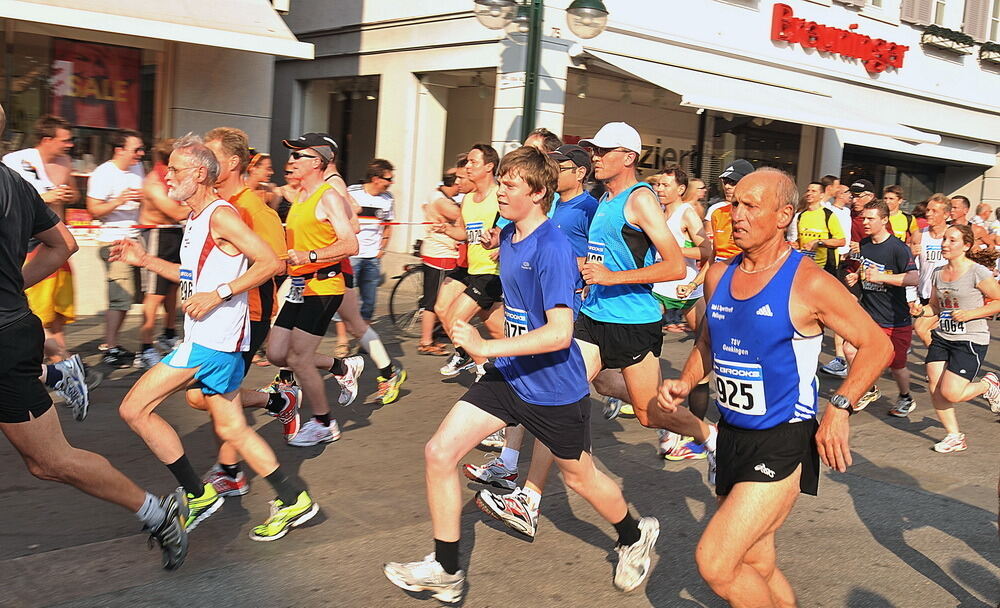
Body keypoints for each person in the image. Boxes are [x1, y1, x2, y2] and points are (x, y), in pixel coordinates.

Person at [383, 146, 658, 603]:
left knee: (580, 478)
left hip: (553, 387)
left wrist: (484, 345)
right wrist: (464, 312)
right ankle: (447, 571)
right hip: (510, 377)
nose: (501, 193)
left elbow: (560, 333)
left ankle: (633, 533)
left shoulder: (552, 248)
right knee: (439, 452)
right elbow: (502, 287)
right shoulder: (510, 233)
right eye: (502, 183)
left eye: (510, 186)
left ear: (538, 193)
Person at [660, 168, 892, 608]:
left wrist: (839, 408)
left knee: (717, 563)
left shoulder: (809, 282)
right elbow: (708, 342)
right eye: (734, 205)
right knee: (757, 563)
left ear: (785, 214)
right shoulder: (718, 275)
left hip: (783, 440)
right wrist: (685, 381)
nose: (737, 216)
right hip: (732, 436)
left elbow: (876, 345)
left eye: (751, 206)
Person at [475, 123, 711, 538]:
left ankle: (710, 435)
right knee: (558, 394)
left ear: (630, 157)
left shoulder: (640, 200)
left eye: (603, 150)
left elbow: (674, 266)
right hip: (593, 316)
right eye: (592, 150)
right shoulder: (605, 199)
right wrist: (585, 274)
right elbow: (598, 256)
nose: (595, 156)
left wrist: (610, 277)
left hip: (633, 323)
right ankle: (527, 498)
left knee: (648, 413)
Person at [0, 103, 186, 569]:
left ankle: (156, 513)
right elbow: (63, 242)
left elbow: (64, 244)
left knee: (50, 462)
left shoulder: (12, 184)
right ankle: (56, 372)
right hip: (13, 327)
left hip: (3, 339)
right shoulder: (15, 182)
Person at [113, 134, 318, 541]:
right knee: (233, 429)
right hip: (212, 338)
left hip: (213, 341)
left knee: (134, 409)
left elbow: (271, 262)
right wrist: (145, 259)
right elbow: (192, 279)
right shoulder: (196, 218)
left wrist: (220, 294)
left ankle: (197, 492)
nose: (167, 176)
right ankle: (294, 499)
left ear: (201, 173)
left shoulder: (222, 215)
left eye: (175, 169)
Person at [462, 143, 598, 488]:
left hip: (573, 317)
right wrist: (499, 238)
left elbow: (596, 253)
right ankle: (511, 467)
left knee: (580, 471)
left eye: (565, 165)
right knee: (440, 450)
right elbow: (520, 236)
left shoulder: (589, 208)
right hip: (530, 338)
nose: (501, 192)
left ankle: (533, 495)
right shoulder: (516, 225)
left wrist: (576, 268)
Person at [199, 127, 298, 496]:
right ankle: (277, 399)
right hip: (214, 315)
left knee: (217, 397)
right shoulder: (213, 205)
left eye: (212, 157)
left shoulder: (255, 208)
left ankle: (231, 472)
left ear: (233, 162)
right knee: (204, 396)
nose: (204, 164)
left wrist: (226, 288)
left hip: (246, 315)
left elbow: (276, 264)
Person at [263, 133, 359, 446]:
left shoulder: (329, 196)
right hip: (299, 284)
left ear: (317, 161)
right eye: (290, 156)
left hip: (324, 284)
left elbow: (350, 242)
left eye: (297, 156)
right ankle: (340, 367)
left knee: (300, 358)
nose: (289, 162)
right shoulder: (300, 196)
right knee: (277, 353)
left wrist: (310, 256)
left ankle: (323, 423)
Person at [2, 115, 90, 417]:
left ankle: (57, 369)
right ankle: (57, 371)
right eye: (65, 138)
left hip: (32, 259)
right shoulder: (16, 166)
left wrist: (14, 283)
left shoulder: (14, 178)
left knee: (49, 320)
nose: (70, 144)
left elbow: (65, 243)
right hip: (27, 264)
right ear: (46, 139)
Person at [650, 165, 712, 461]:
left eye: (665, 185)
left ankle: (699, 434)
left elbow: (707, 251)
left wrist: (674, 249)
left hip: (688, 291)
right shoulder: (655, 212)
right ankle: (640, 399)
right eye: (658, 184)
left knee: (702, 360)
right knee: (643, 345)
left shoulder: (686, 213)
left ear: (680, 189)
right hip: (658, 289)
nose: (660, 189)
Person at [922, 224, 1000, 452]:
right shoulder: (938, 272)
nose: (945, 244)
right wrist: (919, 311)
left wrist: (970, 314)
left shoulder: (977, 272)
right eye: (944, 239)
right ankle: (954, 436)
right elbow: (935, 307)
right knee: (935, 387)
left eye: (952, 240)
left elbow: (998, 301)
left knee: (952, 393)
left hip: (970, 340)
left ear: (966, 246)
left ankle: (988, 385)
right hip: (943, 337)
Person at [433, 143, 507, 381]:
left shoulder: (501, 195)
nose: (467, 166)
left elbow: (520, 225)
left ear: (489, 166)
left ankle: (483, 366)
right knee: (498, 329)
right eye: (467, 162)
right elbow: (465, 234)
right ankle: (526, 365)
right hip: (472, 269)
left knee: (456, 318)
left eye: (473, 162)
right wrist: (446, 229)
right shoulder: (467, 200)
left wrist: (504, 245)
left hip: (492, 272)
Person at [844, 199, 919, 416]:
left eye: (871, 218)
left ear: (884, 220)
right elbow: (866, 270)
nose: (865, 222)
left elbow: (914, 278)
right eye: (863, 218)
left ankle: (905, 397)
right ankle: (868, 388)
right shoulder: (865, 244)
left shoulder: (898, 248)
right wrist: (856, 276)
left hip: (895, 319)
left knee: (897, 367)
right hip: (869, 315)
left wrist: (883, 278)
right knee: (849, 349)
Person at [86, 128, 146, 367]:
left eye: (142, 149)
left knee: (129, 298)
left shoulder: (138, 168)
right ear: (119, 150)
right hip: (114, 241)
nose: (140, 154)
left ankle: (113, 344)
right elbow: (94, 209)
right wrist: (118, 201)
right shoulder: (103, 173)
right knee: (120, 297)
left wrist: (144, 197)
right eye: (136, 149)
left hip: (136, 238)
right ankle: (110, 347)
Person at [136, 138, 188, 368]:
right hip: (158, 234)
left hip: (175, 234)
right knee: (155, 294)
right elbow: (176, 211)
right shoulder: (154, 182)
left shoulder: (173, 180)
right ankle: (145, 348)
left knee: (173, 289)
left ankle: (168, 334)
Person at [418, 169, 461, 356]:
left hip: (437, 252)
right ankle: (426, 342)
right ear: (453, 184)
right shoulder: (443, 201)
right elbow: (461, 215)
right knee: (433, 301)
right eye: (459, 182)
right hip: (440, 254)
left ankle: (436, 333)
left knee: (438, 299)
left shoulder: (435, 195)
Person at [347, 158, 395, 321]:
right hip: (352, 255)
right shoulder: (352, 193)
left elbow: (388, 225)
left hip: (372, 257)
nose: (391, 182)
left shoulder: (388, 198)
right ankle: (342, 341)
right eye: (388, 179)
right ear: (376, 179)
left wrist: (382, 249)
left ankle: (364, 341)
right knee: (346, 299)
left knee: (369, 303)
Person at [911, 196, 951, 347]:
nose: (929, 214)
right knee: (936, 333)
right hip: (925, 293)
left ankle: (938, 362)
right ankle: (941, 362)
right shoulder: (919, 235)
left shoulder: (953, 235)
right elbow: (912, 266)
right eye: (928, 210)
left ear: (946, 215)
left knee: (921, 328)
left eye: (934, 211)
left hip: (947, 294)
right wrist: (911, 253)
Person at [786, 181, 845, 272]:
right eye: (808, 191)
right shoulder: (801, 216)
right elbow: (801, 240)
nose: (809, 193)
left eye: (813, 191)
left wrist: (819, 242)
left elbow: (841, 241)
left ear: (822, 195)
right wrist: (795, 244)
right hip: (805, 265)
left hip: (825, 267)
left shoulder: (828, 215)